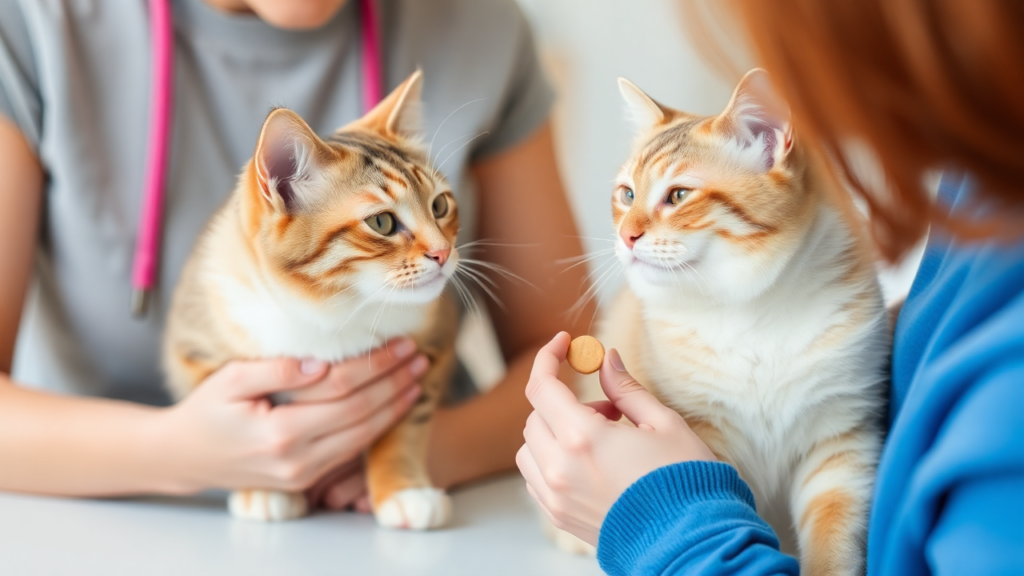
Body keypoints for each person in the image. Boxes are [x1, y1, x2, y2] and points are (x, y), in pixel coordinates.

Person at [0, 0, 592, 510]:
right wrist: (178, 454)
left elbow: (582, 360)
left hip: (420, 514)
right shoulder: (34, 22)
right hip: (108, 523)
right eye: (384, 221)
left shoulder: (476, 23)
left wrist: (414, 453)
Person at [517, 1, 1024, 574]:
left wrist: (660, 521)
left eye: (676, 196)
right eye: (627, 196)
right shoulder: (985, 189)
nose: (630, 231)